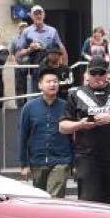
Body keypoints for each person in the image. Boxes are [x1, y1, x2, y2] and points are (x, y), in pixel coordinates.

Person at [60, 58, 110, 205]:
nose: (97, 76)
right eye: (94, 73)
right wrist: (80, 124)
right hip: (87, 159)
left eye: (101, 73)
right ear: (87, 74)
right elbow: (62, 126)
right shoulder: (76, 94)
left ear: (107, 74)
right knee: (89, 205)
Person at [18, 67, 74, 198]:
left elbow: (73, 136)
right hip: (38, 161)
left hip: (61, 160)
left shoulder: (66, 106)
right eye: (49, 82)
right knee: (41, 199)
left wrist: (74, 163)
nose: (53, 84)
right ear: (40, 85)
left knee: (54, 198)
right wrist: (24, 164)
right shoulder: (29, 108)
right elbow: (23, 136)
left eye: (55, 81)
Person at [15, 5, 67, 95]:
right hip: (35, 70)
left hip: (51, 68)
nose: (38, 16)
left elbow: (61, 48)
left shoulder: (52, 30)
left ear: (44, 15)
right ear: (31, 16)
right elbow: (18, 54)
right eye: (35, 14)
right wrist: (30, 49)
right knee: (37, 95)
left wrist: (65, 67)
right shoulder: (26, 32)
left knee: (53, 94)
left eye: (40, 13)